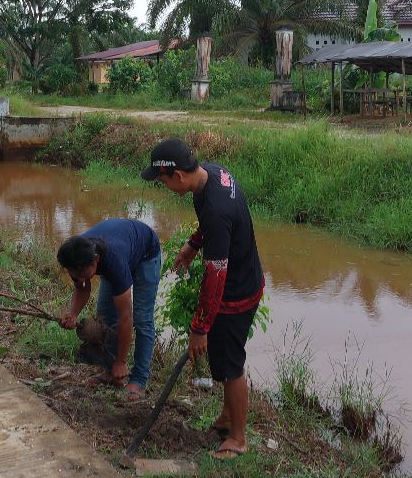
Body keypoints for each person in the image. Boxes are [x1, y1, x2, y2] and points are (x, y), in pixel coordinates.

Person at [142, 138, 263, 460]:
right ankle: (227, 417)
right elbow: (214, 228)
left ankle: (238, 438)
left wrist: (200, 327)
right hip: (248, 276)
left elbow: (216, 276)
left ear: (177, 177)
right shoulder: (213, 174)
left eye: (162, 181)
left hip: (235, 292)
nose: (163, 186)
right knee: (226, 359)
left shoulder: (215, 208)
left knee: (230, 364)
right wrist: (193, 244)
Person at [57, 219, 162, 400]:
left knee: (142, 318)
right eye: (74, 275)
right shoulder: (77, 252)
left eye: (84, 274)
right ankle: (110, 373)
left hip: (146, 253)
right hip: (121, 248)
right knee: (105, 315)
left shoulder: (114, 262)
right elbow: (82, 287)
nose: (79, 279)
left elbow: (126, 317)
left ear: (96, 261)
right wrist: (73, 313)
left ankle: (138, 379)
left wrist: (121, 361)